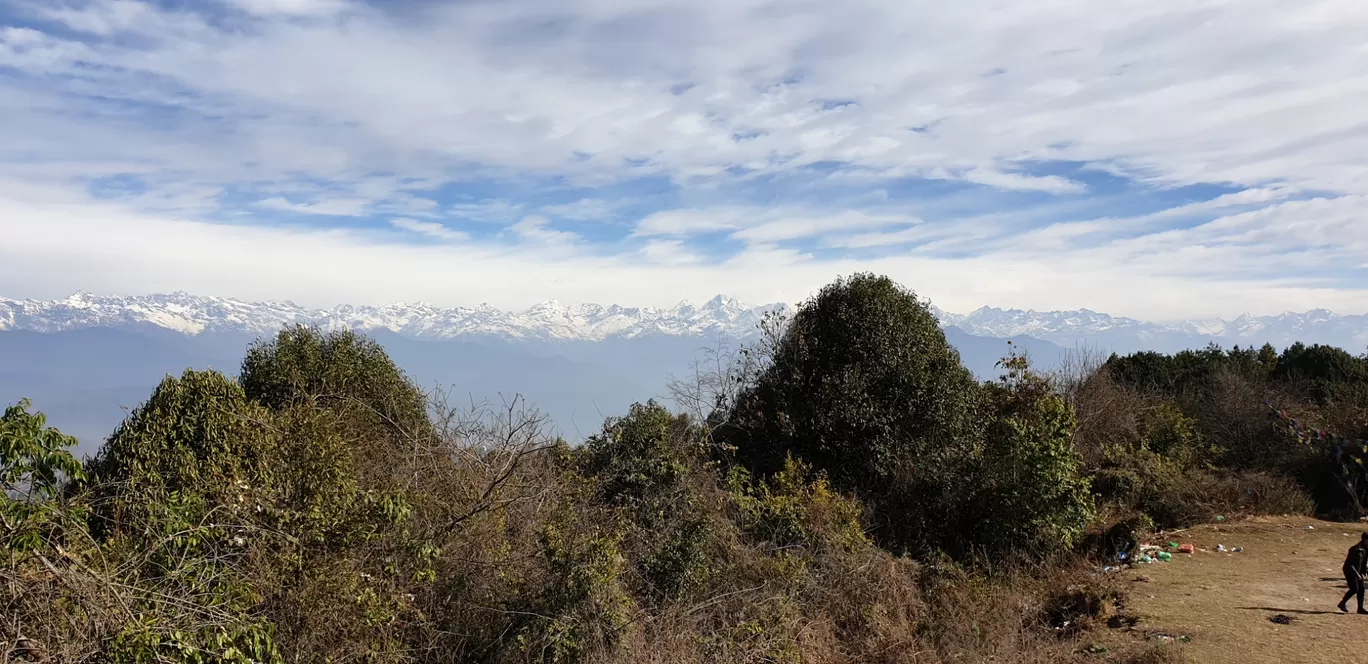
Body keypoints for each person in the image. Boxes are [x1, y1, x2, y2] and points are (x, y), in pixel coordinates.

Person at [1339, 532, 1368, 614]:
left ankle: (1360, 608)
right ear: (1365, 540)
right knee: (1355, 588)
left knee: (1361, 589)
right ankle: (1342, 603)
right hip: (1350, 570)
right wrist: (1357, 574)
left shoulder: (1366, 549)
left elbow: (1364, 562)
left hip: (1358, 571)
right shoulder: (1354, 549)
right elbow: (1350, 564)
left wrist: (1364, 573)